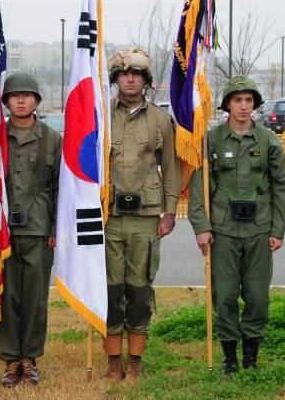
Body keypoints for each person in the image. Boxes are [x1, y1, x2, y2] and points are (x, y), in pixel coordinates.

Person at [188, 76, 285, 375]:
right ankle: (230, 357)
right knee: (226, 294)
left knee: (257, 296)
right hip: (223, 231)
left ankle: (252, 356)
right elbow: (199, 186)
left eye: (248, 101)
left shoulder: (269, 140)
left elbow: (280, 188)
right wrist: (201, 226)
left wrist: (277, 230)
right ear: (228, 105)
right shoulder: (213, 140)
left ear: (255, 105)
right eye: (237, 100)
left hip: (259, 229)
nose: (243, 107)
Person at [104, 47, 181, 381]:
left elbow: (171, 169)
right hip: (107, 215)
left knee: (138, 288)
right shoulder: (101, 114)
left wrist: (170, 212)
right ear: (115, 78)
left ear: (147, 80)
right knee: (109, 289)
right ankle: (111, 361)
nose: (130, 78)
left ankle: (134, 360)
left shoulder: (161, 120)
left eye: (136, 73)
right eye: (124, 73)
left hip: (146, 216)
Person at [0, 72, 62, 387]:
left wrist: (56, 228)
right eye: (15, 95)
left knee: (35, 298)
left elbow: (61, 187)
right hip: (2, 230)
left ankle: (30, 359)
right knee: (6, 297)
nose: (21, 100)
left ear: (36, 100)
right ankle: (10, 361)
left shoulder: (52, 138)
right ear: (6, 101)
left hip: (38, 228)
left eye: (27, 95)